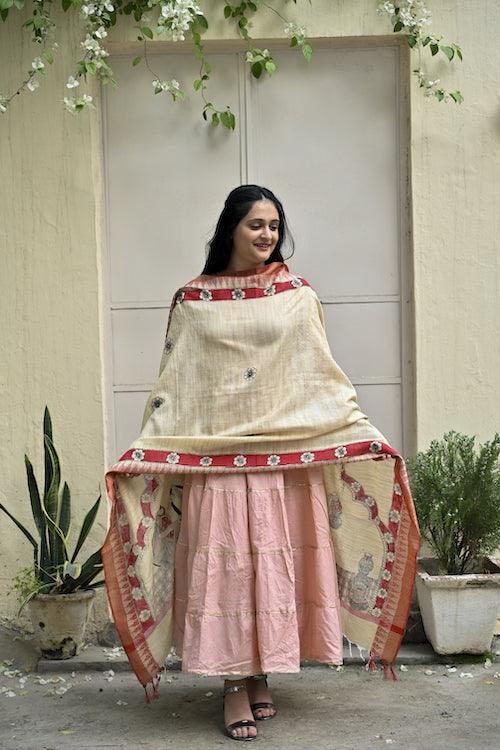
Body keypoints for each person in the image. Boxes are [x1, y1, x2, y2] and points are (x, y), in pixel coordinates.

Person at [102, 185, 421, 742]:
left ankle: (263, 669)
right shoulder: (193, 302)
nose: (267, 235)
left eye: (275, 225)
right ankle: (232, 684)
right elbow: (177, 385)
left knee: (273, 569)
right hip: (218, 465)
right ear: (230, 229)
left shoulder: (296, 294)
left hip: (279, 462)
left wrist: (358, 429)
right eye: (256, 224)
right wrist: (148, 445)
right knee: (228, 571)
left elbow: (316, 374)